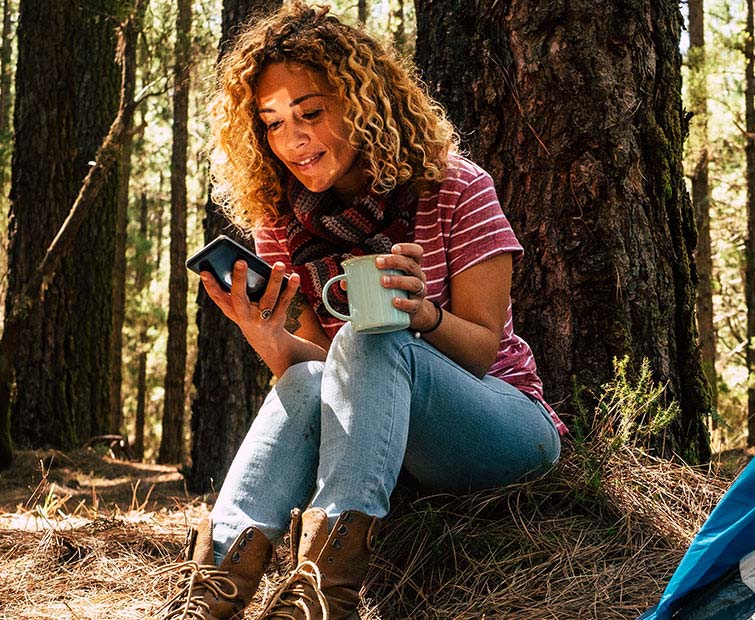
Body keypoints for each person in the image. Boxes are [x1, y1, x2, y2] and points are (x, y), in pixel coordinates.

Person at [152, 3, 566, 618]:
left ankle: (325, 592)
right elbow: (326, 379)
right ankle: (212, 592)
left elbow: (483, 350)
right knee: (310, 371)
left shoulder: (456, 187)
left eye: (310, 113)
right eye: (270, 123)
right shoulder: (282, 223)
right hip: (385, 441)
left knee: (376, 337)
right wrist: (269, 339)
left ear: (362, 101)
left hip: (500, 422)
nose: (291, 140)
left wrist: (422, 314)